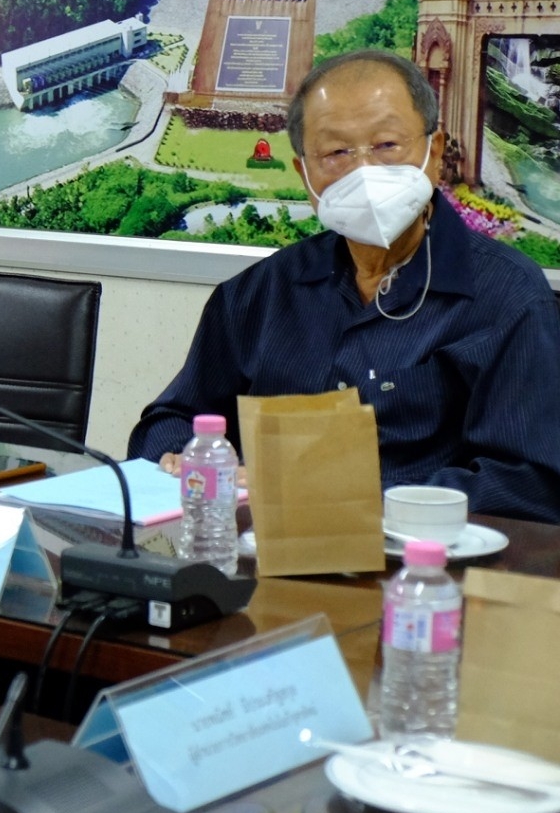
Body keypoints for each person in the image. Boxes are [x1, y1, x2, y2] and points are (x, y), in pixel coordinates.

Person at [128, 49, 560, 522]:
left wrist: (352, 494)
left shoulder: (507, 295)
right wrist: (183, 456)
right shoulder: (259, 292)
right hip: (259, 555)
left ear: (434, 154)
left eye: (387, 145)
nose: (363, 171)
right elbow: (168, 421)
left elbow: (531, 485)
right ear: (305, 175)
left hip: (420, 568)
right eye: (336, 152)